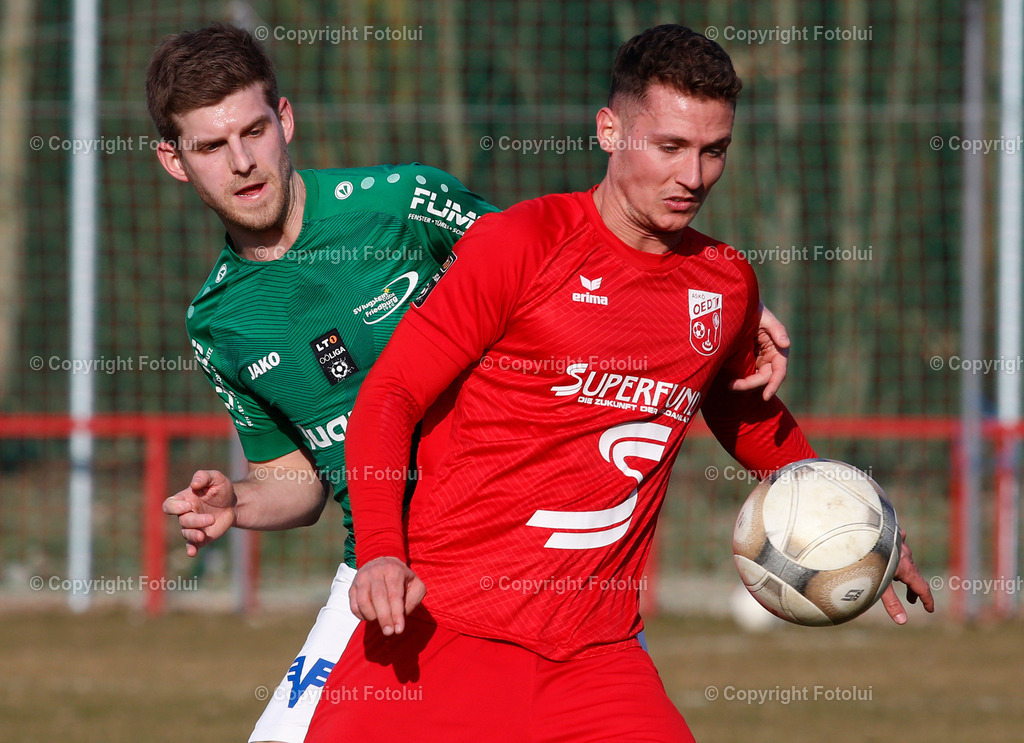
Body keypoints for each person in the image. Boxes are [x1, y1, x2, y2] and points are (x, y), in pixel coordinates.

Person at [149, 23, 793, 743]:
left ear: (286, 121)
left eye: (254, 131)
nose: (242, 162)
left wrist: (722, 302)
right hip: (385, 565)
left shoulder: (401, 202)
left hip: (534, 569)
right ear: (175, 162)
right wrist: (239, 498)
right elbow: (300, 479)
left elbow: (579, 260)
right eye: (211, 146)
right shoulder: (217, 321)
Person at [309, 24, 935, 743]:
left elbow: (748, 416)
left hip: (596, 661)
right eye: (669, 147)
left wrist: (864, 528)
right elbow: (390, 396)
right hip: (444, 633)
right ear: (610, 130)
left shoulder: (725, 284)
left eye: (713, 151)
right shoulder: (521, 245)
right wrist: (383, 547)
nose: (693, 176)